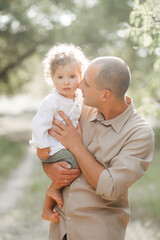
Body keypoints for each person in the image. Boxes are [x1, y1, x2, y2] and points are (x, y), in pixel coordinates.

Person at [39, 56, 154, 240]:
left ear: (105, 95)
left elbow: (109, 188)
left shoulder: (139, 134)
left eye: (86, 83)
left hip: (97, 232)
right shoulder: (80, 109)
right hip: (61, 228)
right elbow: (48, 143)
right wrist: (49, 167)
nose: (78, 86)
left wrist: (76, 146)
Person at [30, 43, 88, 223]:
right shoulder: (52, 101)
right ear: (52, 78)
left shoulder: (78, 97)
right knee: (74, 165)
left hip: (64, 144)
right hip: (52, 147)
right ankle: (53, 190)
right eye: (60, 77)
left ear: (80, 77)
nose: (66, 82)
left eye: (72, 76)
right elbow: (39, 124)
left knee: (77, 162)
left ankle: (53, 199)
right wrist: (42, 146)